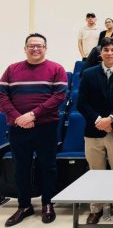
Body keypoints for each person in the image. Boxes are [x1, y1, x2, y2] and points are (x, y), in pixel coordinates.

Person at [0, 33, 67, 226]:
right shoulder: (12, 70)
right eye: (31, 45)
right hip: (18, 127)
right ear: (25, 48)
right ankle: (24, 206)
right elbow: (2, 96)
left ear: (45, 48)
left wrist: (32, 115)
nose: (35, 49)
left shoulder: (56, 69)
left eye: (39, 46)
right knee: (21, 167)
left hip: (45, 126)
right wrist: (17, 118)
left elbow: (59, 97)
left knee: (48, 166)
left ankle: (48, 203)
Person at [77, 37, 113, 225]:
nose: (109, 53)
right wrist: (98, 120)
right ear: (100, 52)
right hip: (93, 130)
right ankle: (97, 208)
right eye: (106, 50)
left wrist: (110, 119)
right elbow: (82, 103)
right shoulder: (88, 73)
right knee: (96, 172)